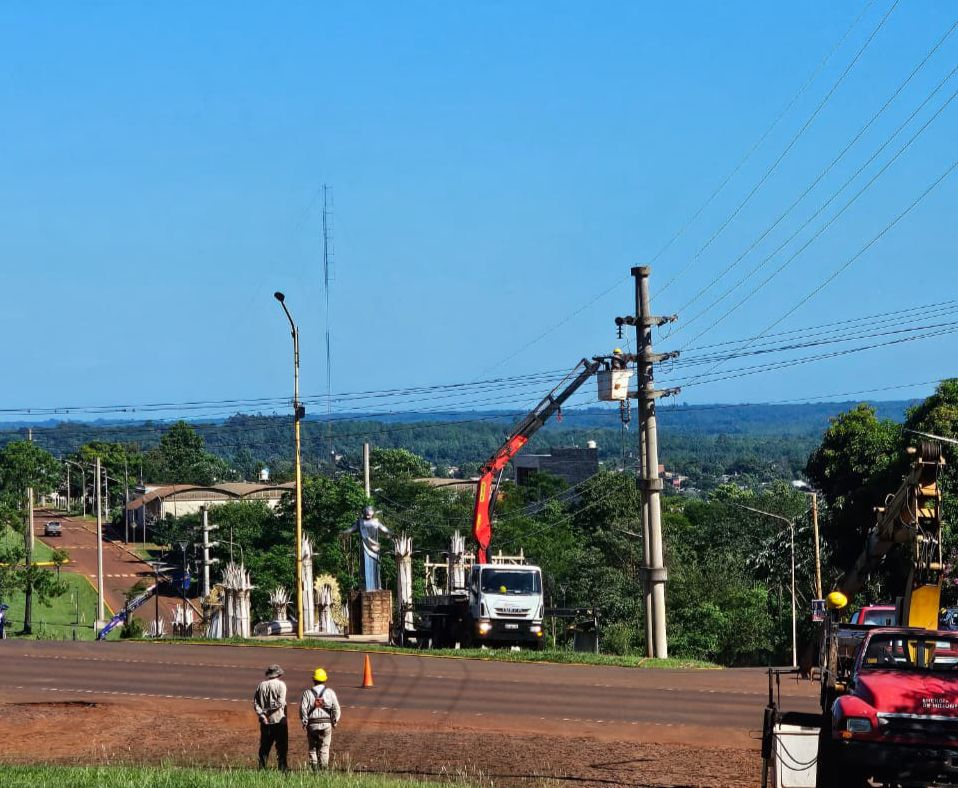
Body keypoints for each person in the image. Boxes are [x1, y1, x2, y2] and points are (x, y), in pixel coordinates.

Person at [300, 666, 341, 771]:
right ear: (325, 680)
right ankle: (323, 770)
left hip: (312, 725)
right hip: (326, 724)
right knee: (325, 748)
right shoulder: (330, 692)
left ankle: (314, 770)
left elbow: (303, 709)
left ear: (313, 680)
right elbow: (336, 708)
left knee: (312, 748)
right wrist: (335, 720)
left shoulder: (307, 693)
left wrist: (304, 721)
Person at [345, 506, 391, 591]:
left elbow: (385, 530)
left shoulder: (373, 522)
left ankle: (375, 586)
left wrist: (390, 534)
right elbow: (350, 530)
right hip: (367, 549)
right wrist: (344, 532)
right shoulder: (361, 522)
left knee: (374, 567)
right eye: (366, 513)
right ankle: (366, 586)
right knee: (365, 567)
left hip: (372, 549)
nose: (367, 515)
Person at [253, 663, 289, 771]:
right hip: (279, 721)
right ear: (278, 674)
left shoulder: (261, 685)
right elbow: (280, 703)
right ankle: (283, 770)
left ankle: (261, 770)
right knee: (281, 748)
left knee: (264, 748)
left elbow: (255, 703)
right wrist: (267, 711)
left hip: (265, 722)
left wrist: (262, 714)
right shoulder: (281, 685)